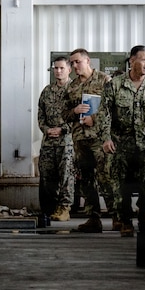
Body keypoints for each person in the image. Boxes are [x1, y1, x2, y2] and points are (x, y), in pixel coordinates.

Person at [98, 45, 145, 237]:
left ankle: (143, 212)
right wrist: (106, 138)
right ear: (132, 61)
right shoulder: (115, 85)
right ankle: (125, 220)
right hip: (120, 142)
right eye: (143, 60)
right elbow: (104, 113)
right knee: (119, 185)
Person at [66, 49, 113, 233]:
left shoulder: (104, 80)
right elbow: (65, 113)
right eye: (72, 63)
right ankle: (93, 218)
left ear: (87, 61)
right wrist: (75, 112)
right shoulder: (71, 86)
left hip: (100, 138)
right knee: (86, 179)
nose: (74, 66)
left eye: (77, 62)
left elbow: (113, 107)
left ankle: (118, 216)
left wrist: (95, 118)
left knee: (106, 176)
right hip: (80, 139)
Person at [36, 57, 74, 221]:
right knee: (46, 176)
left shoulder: (74, 90)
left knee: (66, 175)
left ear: (69, 70)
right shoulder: (47, 91)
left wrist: (63, 129)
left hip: (67, 142)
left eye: (61, 68)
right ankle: (48, 209)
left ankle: (64, 208)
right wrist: (46, 130)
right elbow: (40, 115)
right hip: (48, 141)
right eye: (56, 68)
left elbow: (80, 117)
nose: (58, 71)